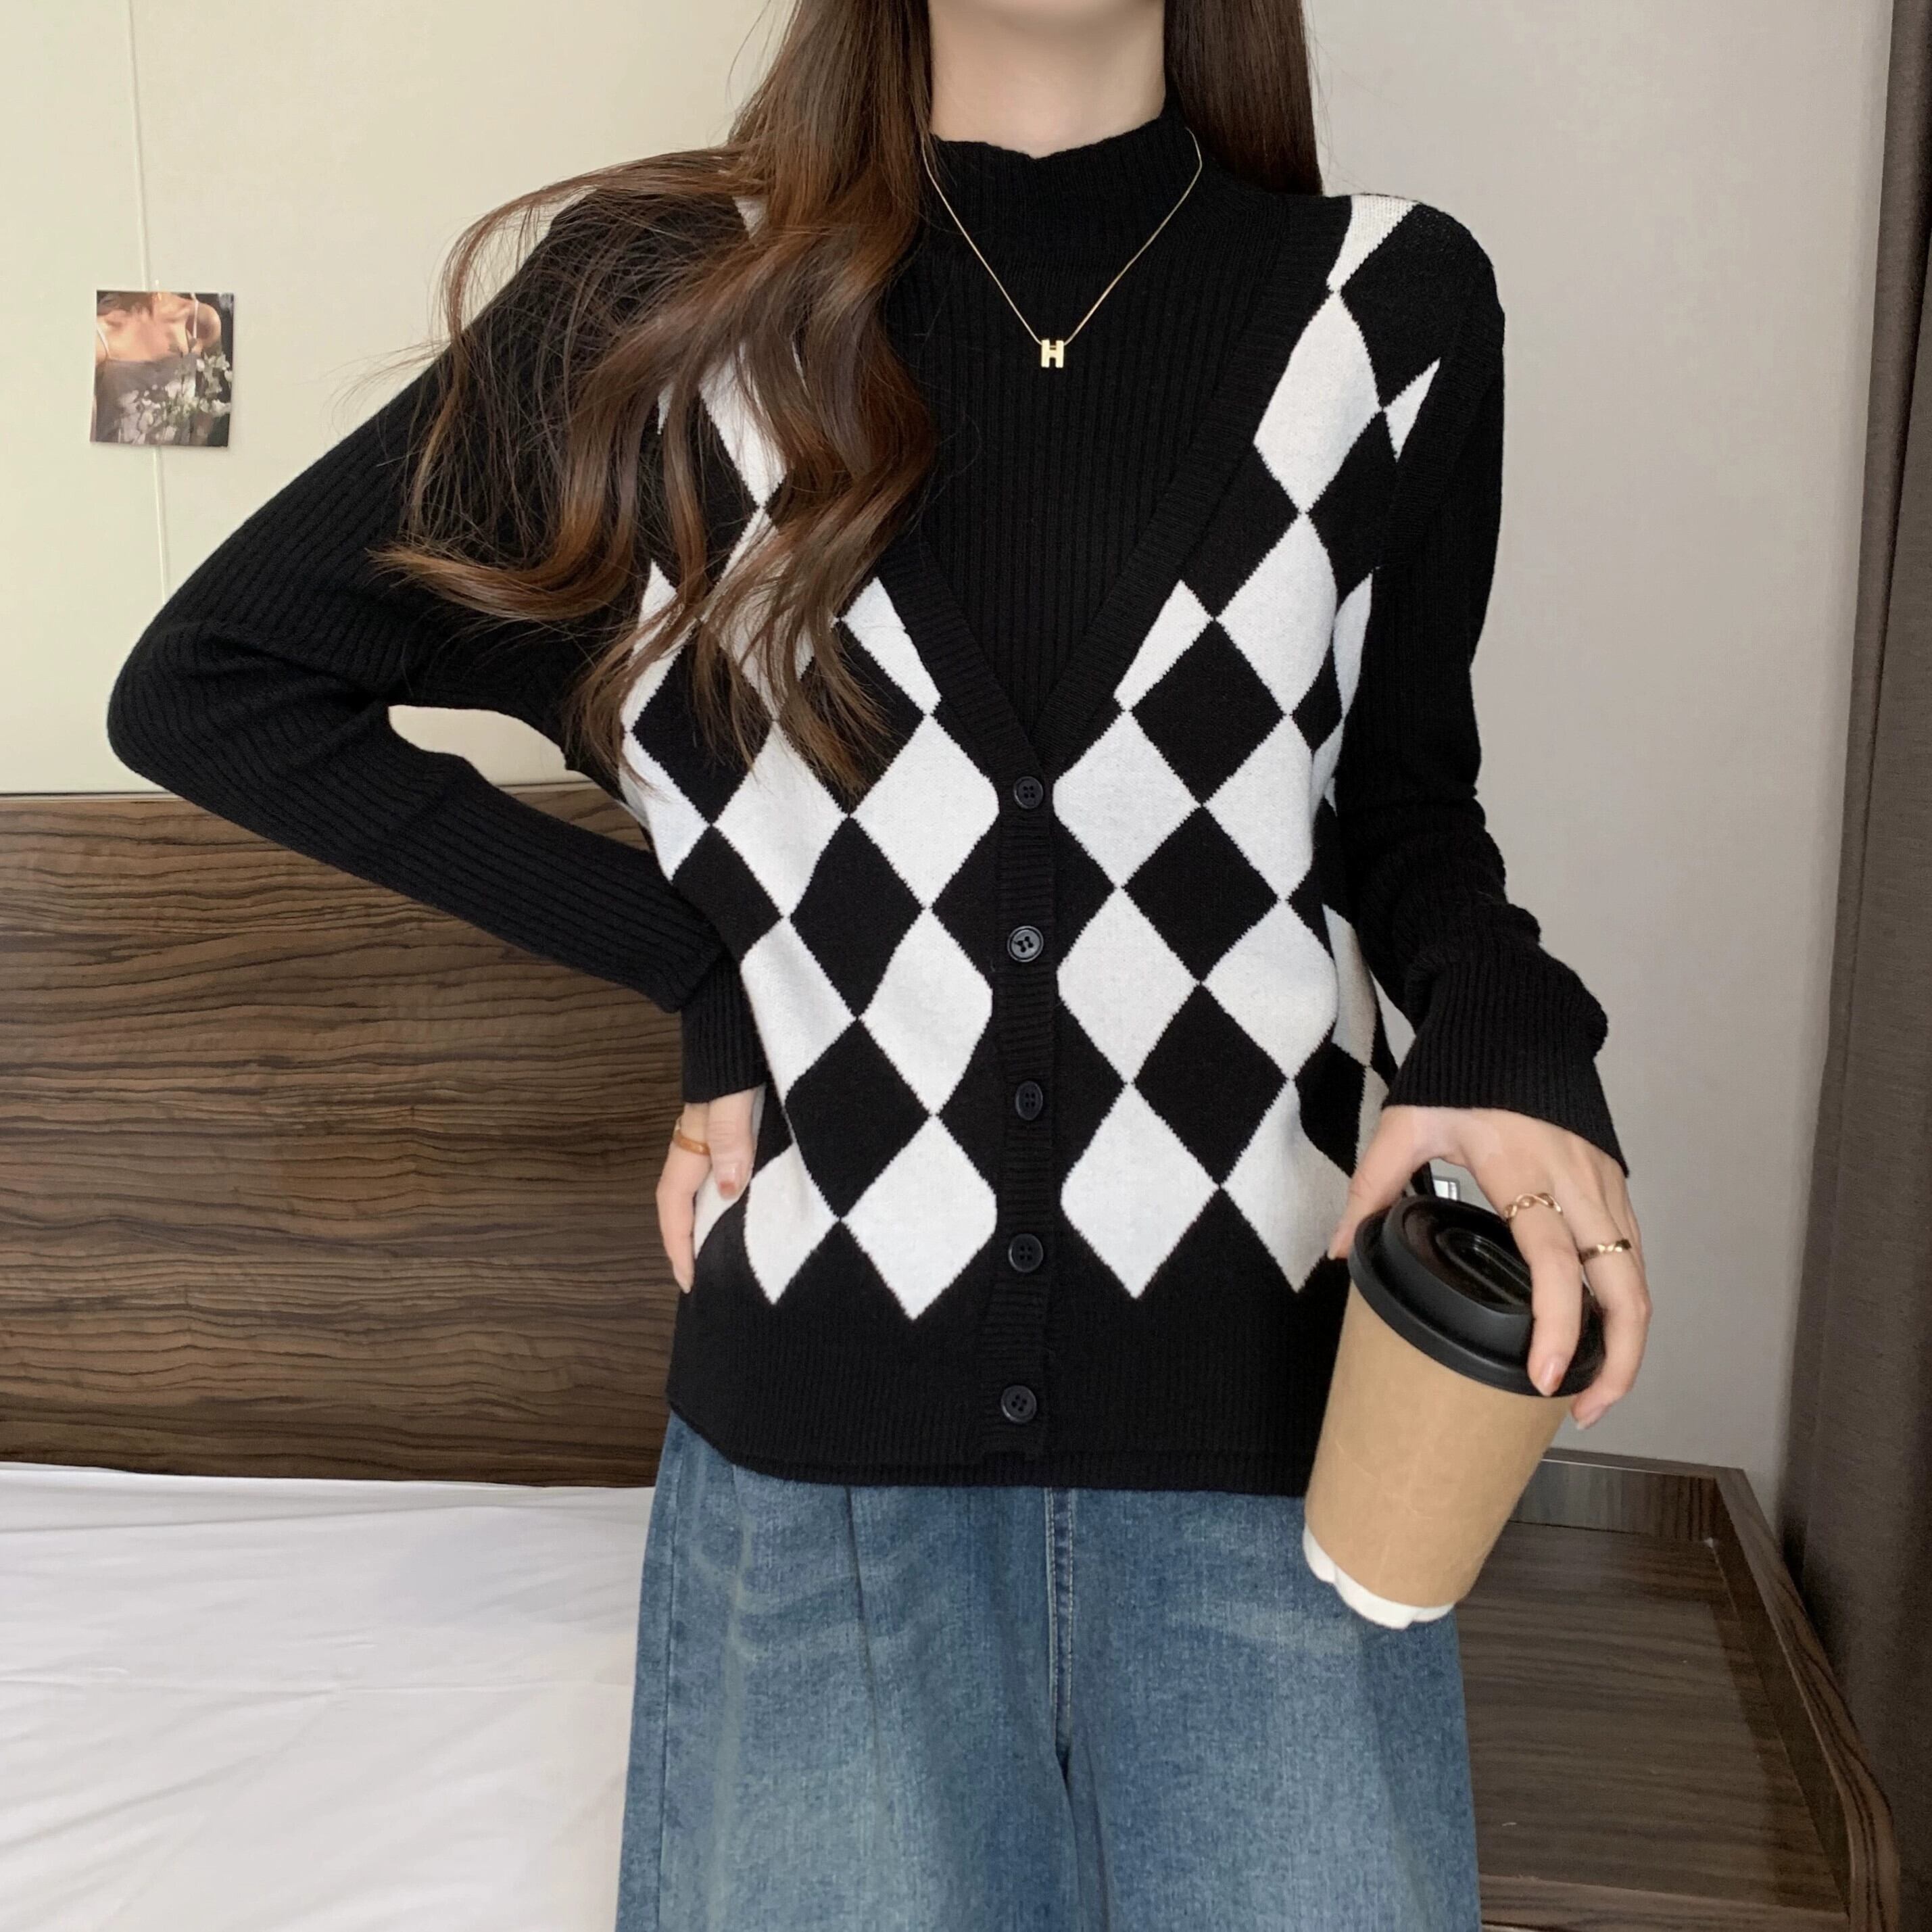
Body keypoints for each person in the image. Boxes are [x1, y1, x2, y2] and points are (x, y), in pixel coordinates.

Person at [106, 1, 1651, 1925]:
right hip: (820, 1474)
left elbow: (1405, 806)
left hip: (1284, 1448)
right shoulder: (664, 307)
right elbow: (219, 683)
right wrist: (706, 972)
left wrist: (1507, 1040)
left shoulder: (1384, 304)